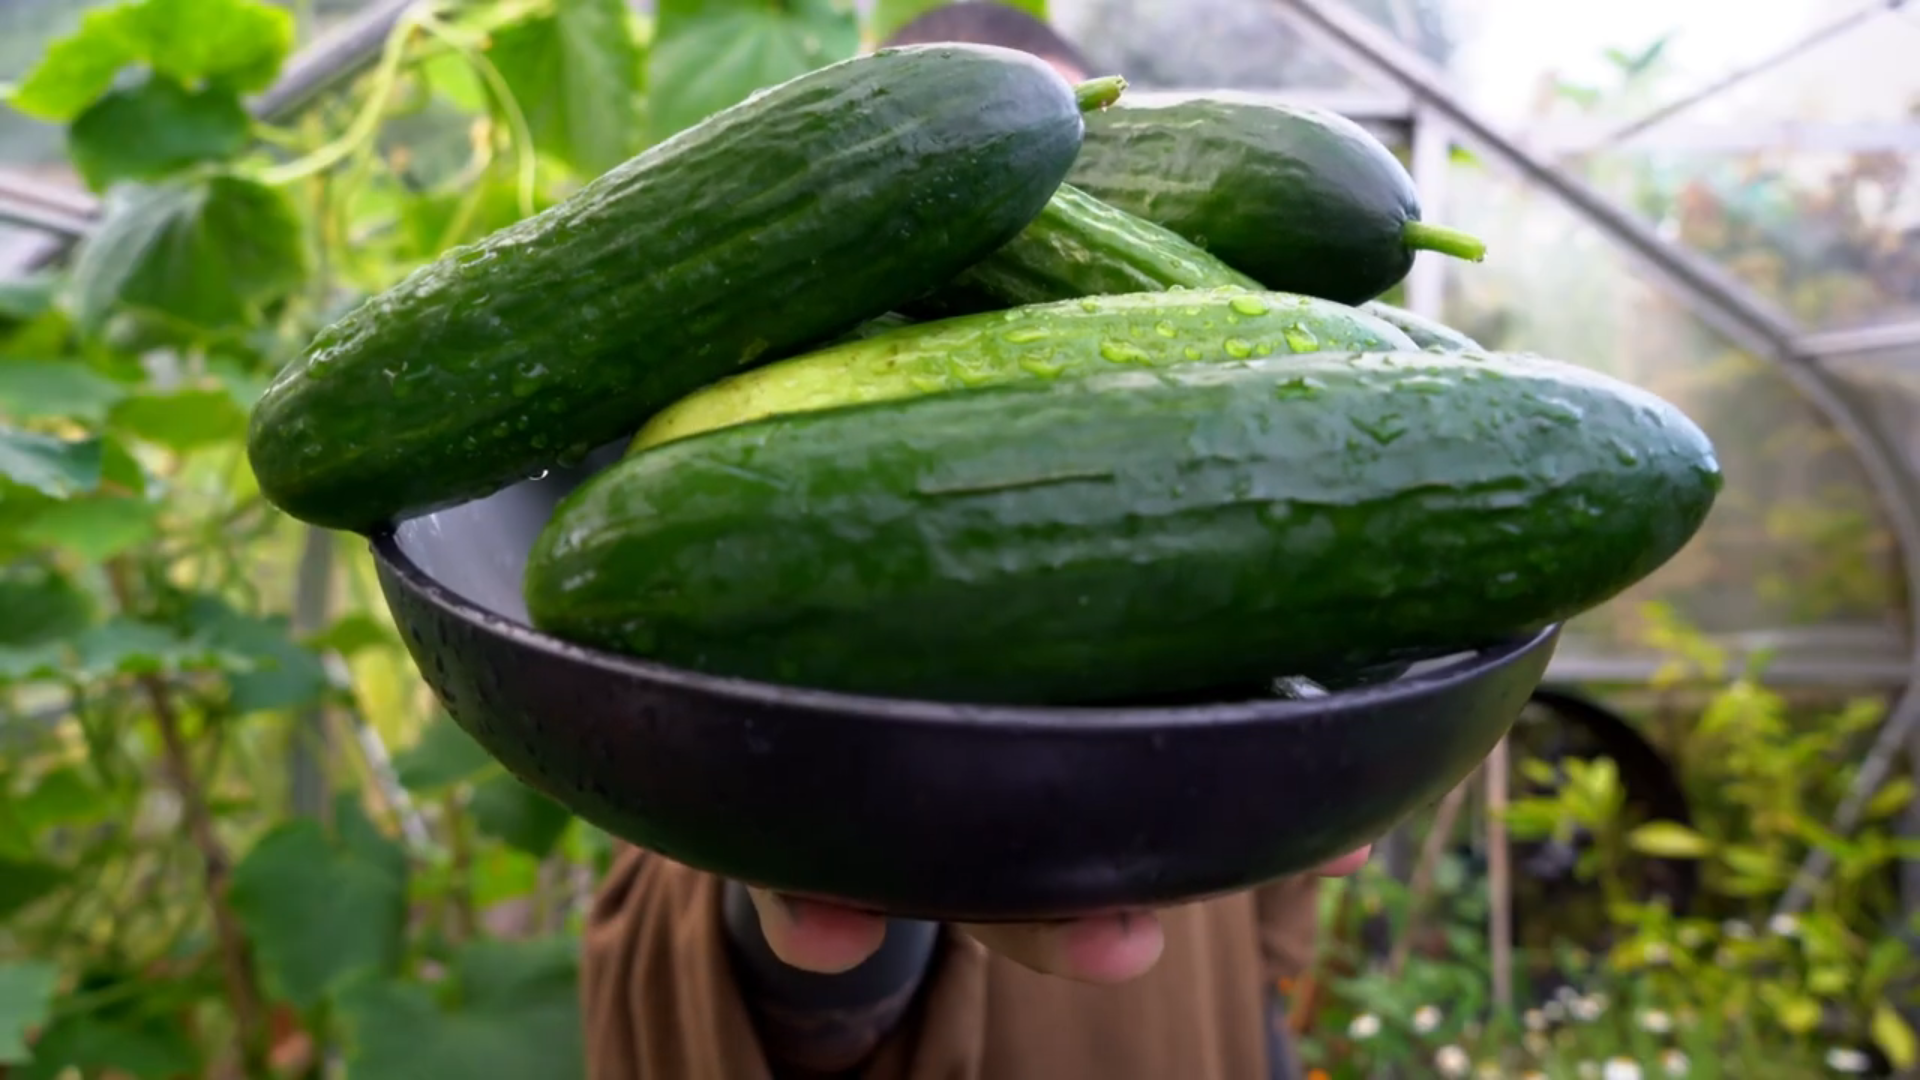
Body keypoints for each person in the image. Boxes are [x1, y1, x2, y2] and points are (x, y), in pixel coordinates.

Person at [581, 6, 1369, 1079]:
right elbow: (685, 968)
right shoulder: (712, 561)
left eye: (1089, 176)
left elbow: (1268, 957)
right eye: (933, 152)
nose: (1006, 198)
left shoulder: (1250, 535)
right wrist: (826, 833)